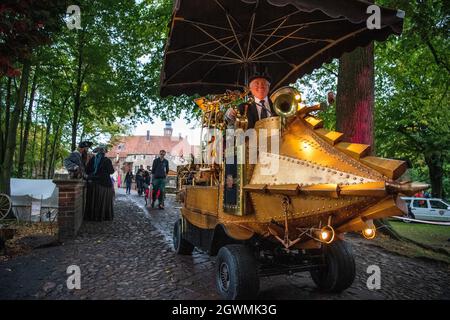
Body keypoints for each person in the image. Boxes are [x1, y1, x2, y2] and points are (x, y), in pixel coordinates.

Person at [84, 145, 115, 221]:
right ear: (104, 152)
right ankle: (102, 216)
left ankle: (92, 216)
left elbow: (87, 170)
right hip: (104, 184)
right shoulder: (107, 160)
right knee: (103, 202)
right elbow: (111, 171)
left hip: (93, 183)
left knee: (93, 201)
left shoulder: (93, 159)